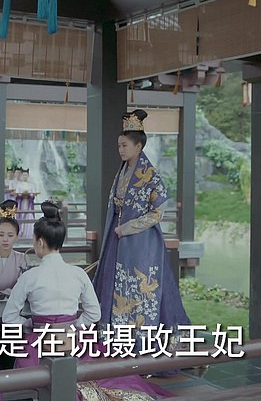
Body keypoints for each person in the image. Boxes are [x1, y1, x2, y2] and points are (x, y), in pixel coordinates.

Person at [3, 201, 172, 400]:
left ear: (40, 242)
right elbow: (94, 313)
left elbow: (9, 318)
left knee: (29, 383)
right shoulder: (78, 274)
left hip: (40, 344)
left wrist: (29, 324)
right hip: (74, 341)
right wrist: (75, 325)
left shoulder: (29, 277)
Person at [92, 110, 190, 352]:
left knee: (142, 289)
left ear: (139, 146)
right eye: (119, 145)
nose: (121, 150)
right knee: (113, 284)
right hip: (118, 239)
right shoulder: (122, 172)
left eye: (125, 145)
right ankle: (113, 341)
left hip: (142, 243)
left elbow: (158, 212)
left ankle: (142, 343)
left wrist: (128, 227)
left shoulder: (150, 175)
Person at [13, 168, 36, 238]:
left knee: (29, 216)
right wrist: (22, 194)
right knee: (20, 216)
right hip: (21, 203)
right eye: (24, 175)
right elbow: (17, 194)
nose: (25, 176)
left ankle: (29, 234)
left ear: (28, 176)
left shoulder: (31, 185)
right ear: (22, 176)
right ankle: (20, 232)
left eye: (26, 175)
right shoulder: (19, 185)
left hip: (28, 203)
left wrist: (29, 194)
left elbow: (33, 194)